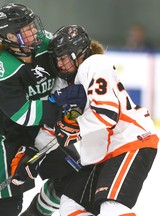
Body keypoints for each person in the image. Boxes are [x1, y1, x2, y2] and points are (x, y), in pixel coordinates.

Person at [47, 24, 158, 215]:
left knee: (111, 206)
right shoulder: (70, 79)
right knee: (71, 204)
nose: (59, 64)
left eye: (63, 58)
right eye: (57, 59)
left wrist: (75, 128)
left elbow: (107, 113)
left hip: (129, 141)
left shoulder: (95, 64)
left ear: (78, 52)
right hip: (102, 153)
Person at [0, 3, 64, 216]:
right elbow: (23, 113)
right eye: (26, 29)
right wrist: (62, 108)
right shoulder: (1, 68)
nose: (34, 31)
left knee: (69, 178)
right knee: (7, 206)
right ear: (10, 38)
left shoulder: (47, 44)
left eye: (32, 25)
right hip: (6, 137)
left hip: (42, 130)